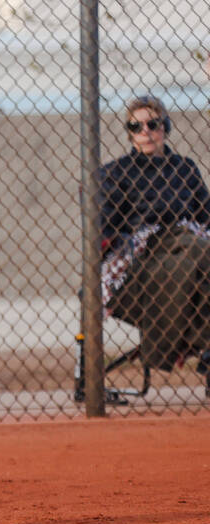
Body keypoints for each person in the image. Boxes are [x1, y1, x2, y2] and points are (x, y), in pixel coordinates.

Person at [98, 94, 210, 378]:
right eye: (136, 127)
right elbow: (106, 227)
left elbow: (206, 214)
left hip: (186, 245)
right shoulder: (116, 173)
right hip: (145, 249)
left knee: (191, 256)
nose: (145, 132)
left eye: (152, 124)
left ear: (166, 127)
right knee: (199, 250)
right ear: (129, 134)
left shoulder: (185, 168)